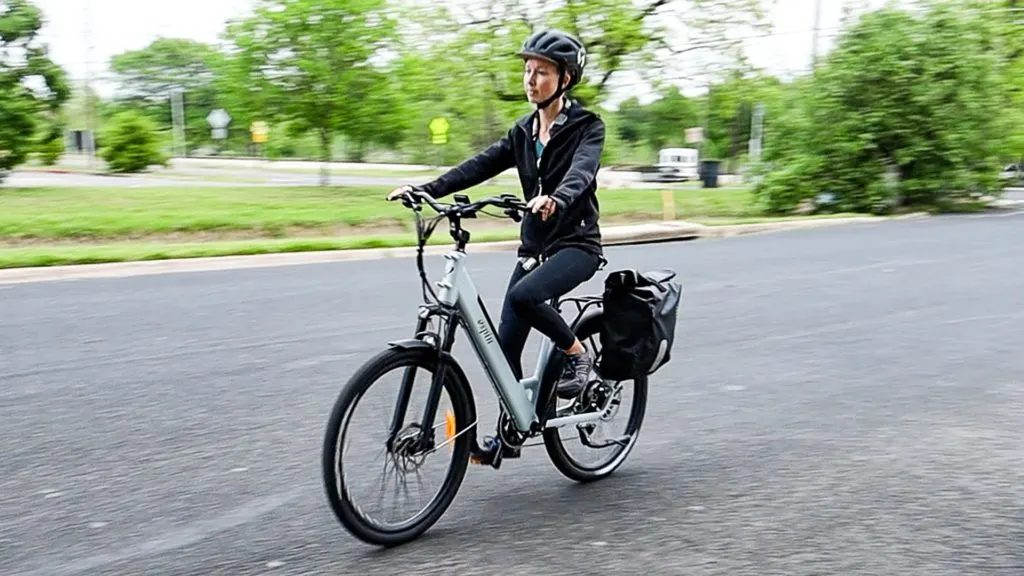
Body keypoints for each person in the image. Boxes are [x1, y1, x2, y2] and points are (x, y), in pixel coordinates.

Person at [388, 29, 606, 408]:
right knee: (503, 355)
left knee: (524, 296)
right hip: (534, 248)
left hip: (576, 244)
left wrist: (556, 198)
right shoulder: (522, 131)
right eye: (527, 72)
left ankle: (577, 354)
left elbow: (582, 171)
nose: (531, 81)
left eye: (541, 73)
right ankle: (511, 434)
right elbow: (479, 166)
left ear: (565, 78)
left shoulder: (587, 127)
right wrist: (425, 190)